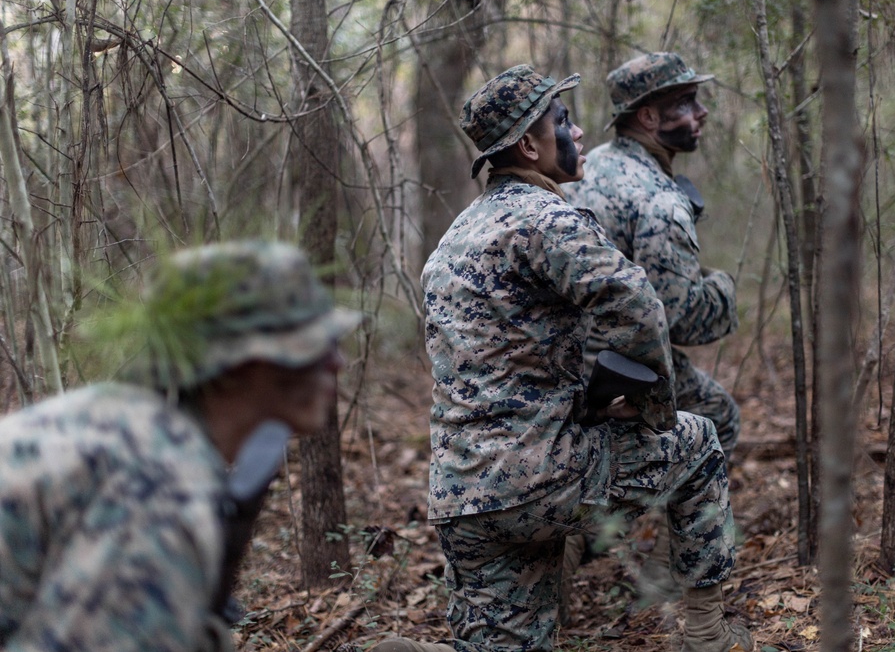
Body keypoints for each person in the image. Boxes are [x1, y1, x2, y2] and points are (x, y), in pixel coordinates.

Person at [373, 65, 752, 652]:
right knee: (699, 440)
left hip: (461, 496)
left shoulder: (454, 237)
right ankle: (709, 635)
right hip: (543, 479)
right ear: (529, 145)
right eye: (563, 122)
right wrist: (654, 411)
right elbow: (641, 307)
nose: (577, 135)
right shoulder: (548, 218)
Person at [0, 241, 360, 652]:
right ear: (243, 364)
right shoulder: (161, 491)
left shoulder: (127, 418)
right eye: (311, 345)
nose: (336, 362)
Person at [562, 51, 741, 608]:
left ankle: (576, 540)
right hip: (623, 364)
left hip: (564, 362)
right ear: (645, 118)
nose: (701, 113)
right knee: (716, 419)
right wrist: (724, 290)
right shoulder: (659, 199)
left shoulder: (588, 168)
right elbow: (680, 318)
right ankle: (667, 570)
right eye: (684, 104)